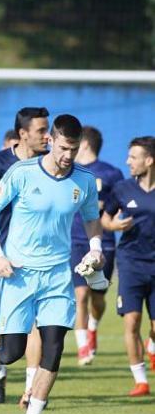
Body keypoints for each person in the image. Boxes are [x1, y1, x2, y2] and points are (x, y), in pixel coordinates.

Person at [0, 114, 103, 414]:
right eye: (62, 148)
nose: (67, 156)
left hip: (58, 274)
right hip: (19, 273)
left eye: (73, 149)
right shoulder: (22, 173)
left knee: (54, 346)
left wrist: (96, 247)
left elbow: (90, 218)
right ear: (50, 142)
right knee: (13, 351)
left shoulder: (84, 181)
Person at [0, 108, 50, 404]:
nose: (47, 135)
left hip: (35, 256)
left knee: (36, 322)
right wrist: (7, 196)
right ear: (23, 133)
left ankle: (30, 389)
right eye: (42, 130)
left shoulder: (50, 164)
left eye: (48, 129)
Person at [102, 136, 155, 397]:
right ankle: (141, 382)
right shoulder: (122, 189)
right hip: (131, 263)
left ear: (149, 160)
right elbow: (105, 219)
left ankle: (152, 345)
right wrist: (115, 226)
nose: (128, 162)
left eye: (133, 157)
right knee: (131, 321)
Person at [70, 126, 123, 365]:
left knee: (97, 298)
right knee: (80, 295)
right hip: (75, 241)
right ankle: (83, 348)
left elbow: (119, 208)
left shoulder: (111, 174)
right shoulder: (69, 172)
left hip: (103, 244)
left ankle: (93, 326)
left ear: (85, 144)